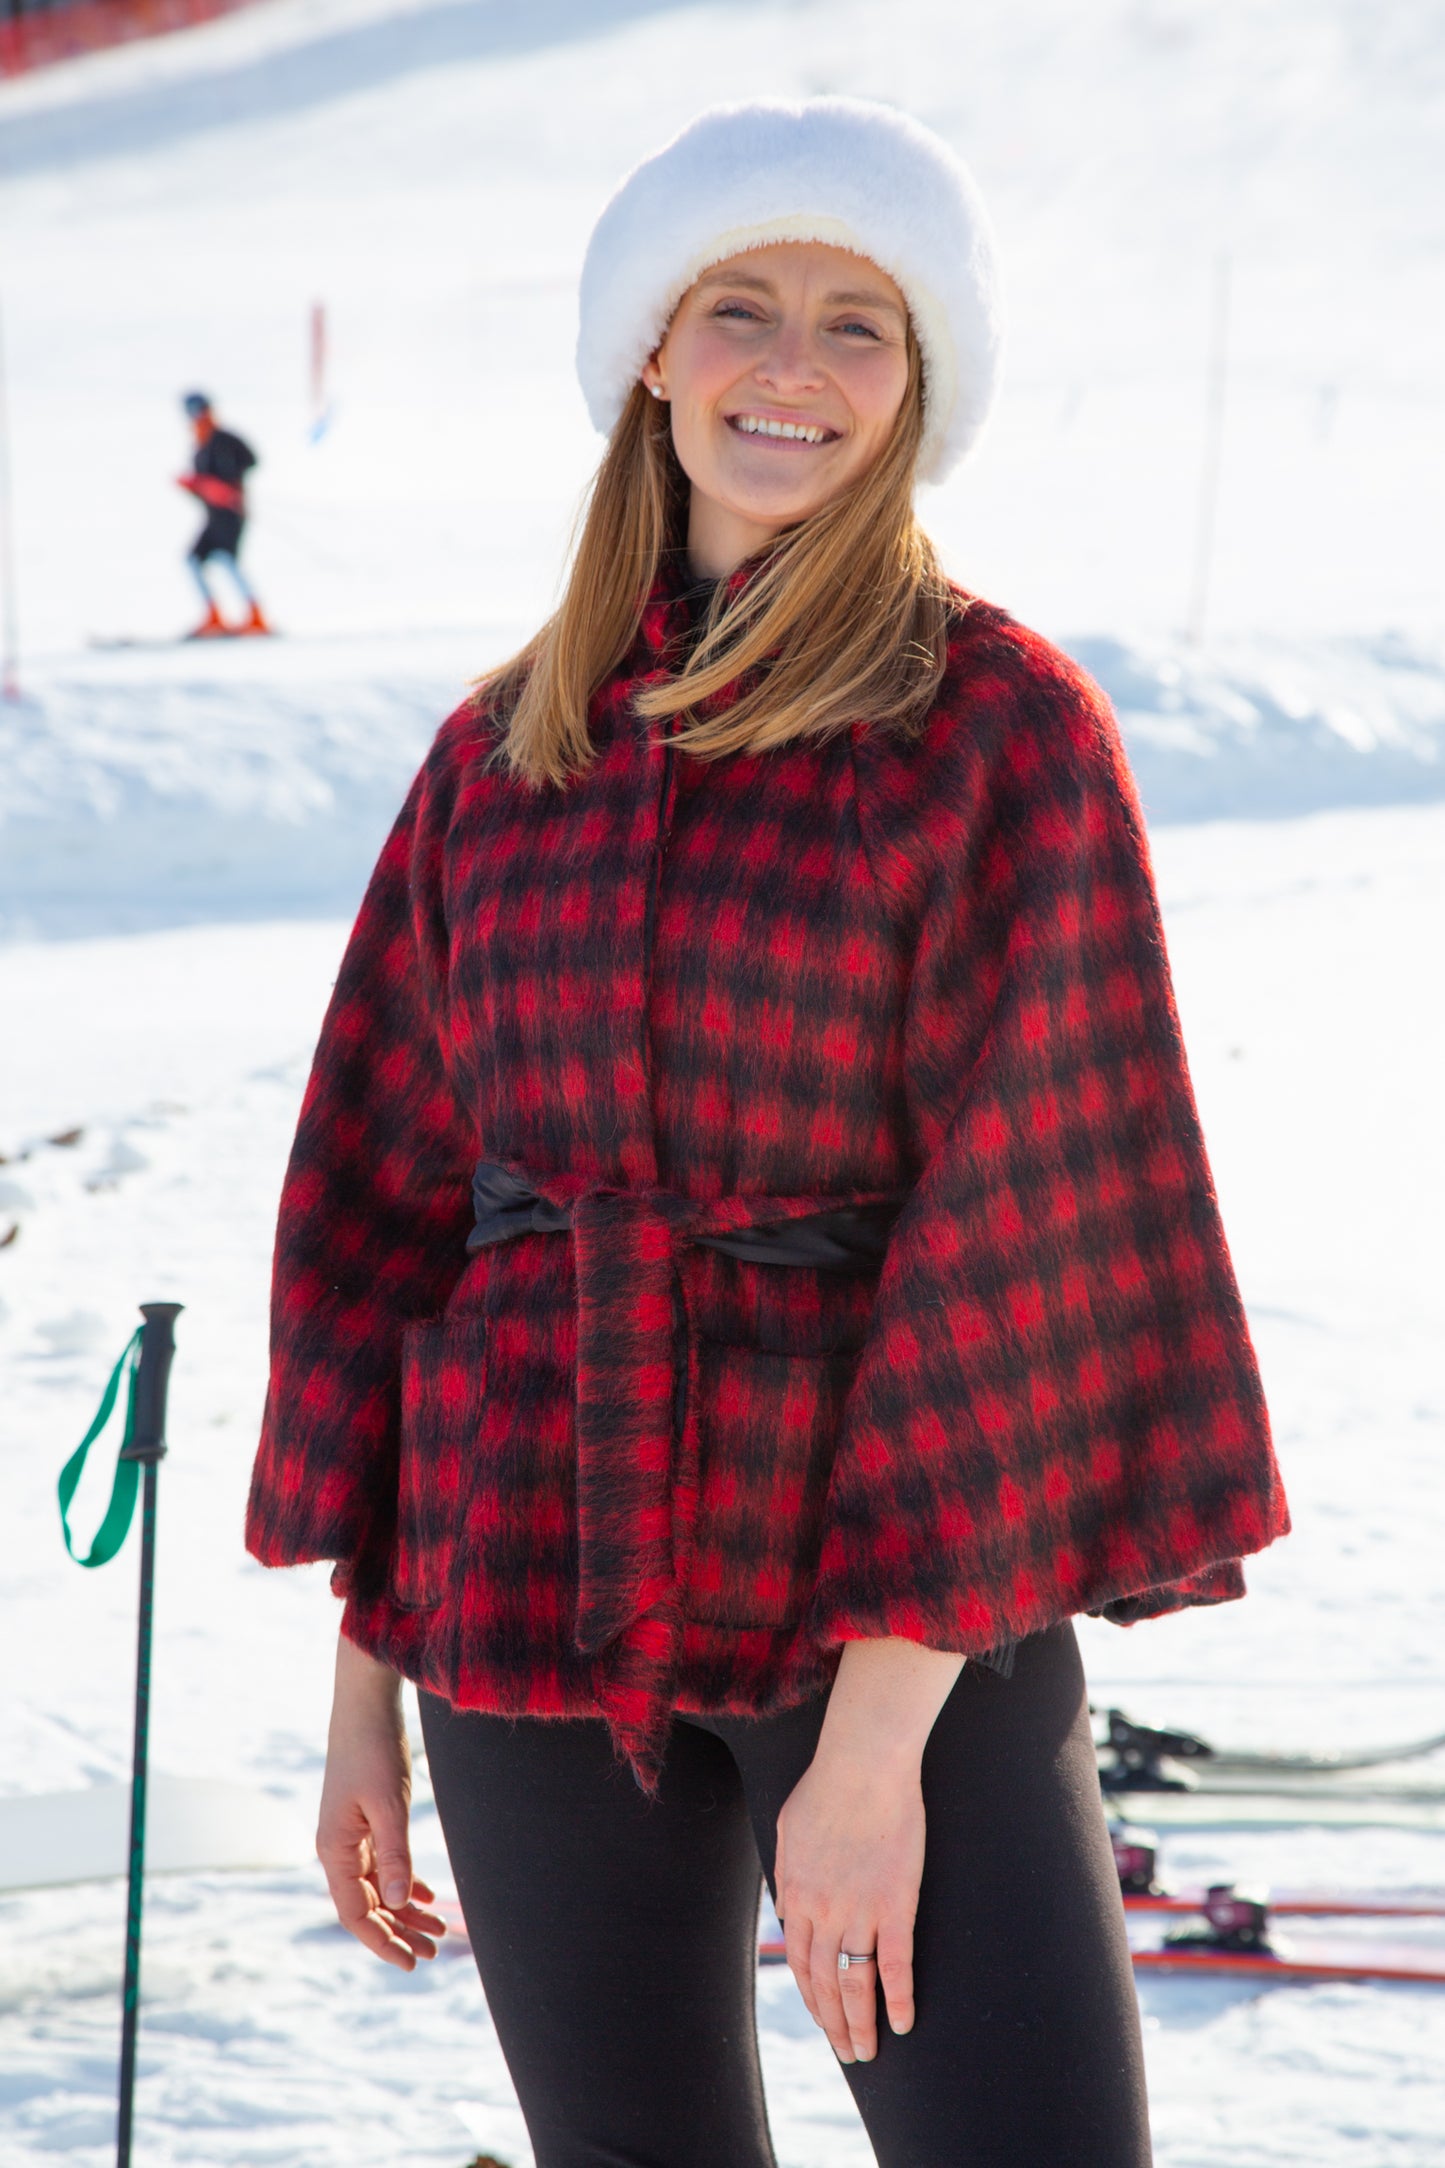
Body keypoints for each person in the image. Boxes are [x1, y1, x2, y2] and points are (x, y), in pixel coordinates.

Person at [244, 99, 1290, 2167]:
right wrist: (366, 1691)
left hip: (878, 1592)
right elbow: (389, 1209)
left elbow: (1033, 1223)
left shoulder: (989, 730)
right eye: (739, 309)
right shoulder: (498, 751)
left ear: (917, 391)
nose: (788, 368)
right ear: (650, 348)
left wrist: (879, 1738)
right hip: (518, 1579)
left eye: (855, 328)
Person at [177, 390, 270, 638]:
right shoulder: (201, 444)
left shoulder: (224, 439)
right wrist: (195, 486)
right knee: (194, 560)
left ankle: (256, 616)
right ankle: (214, 616)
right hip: (213, 515)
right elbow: (204, 485)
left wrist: (227, 486)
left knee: (227, 560)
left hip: (231, 513)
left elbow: (251, 460)